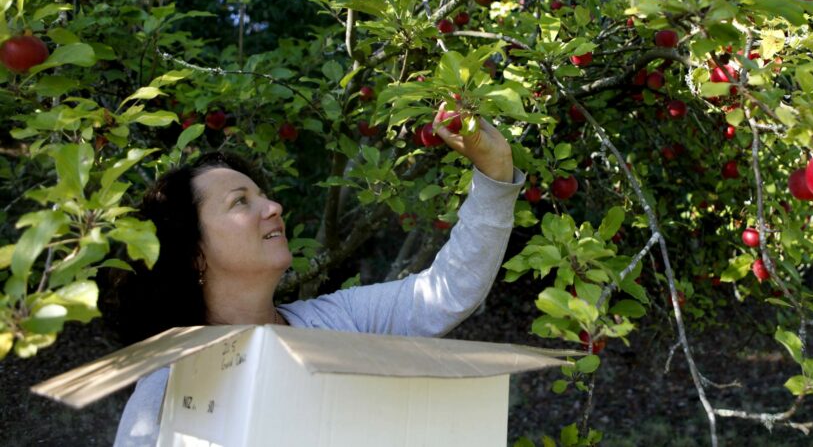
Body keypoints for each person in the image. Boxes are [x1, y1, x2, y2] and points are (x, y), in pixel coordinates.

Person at [111, 108, 523, 447]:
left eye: (262, 194)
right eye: (241, 201)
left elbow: (448, 291)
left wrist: (495, 173)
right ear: (194, 252)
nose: (273, 206)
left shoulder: (334, 322)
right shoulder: (167, 391)